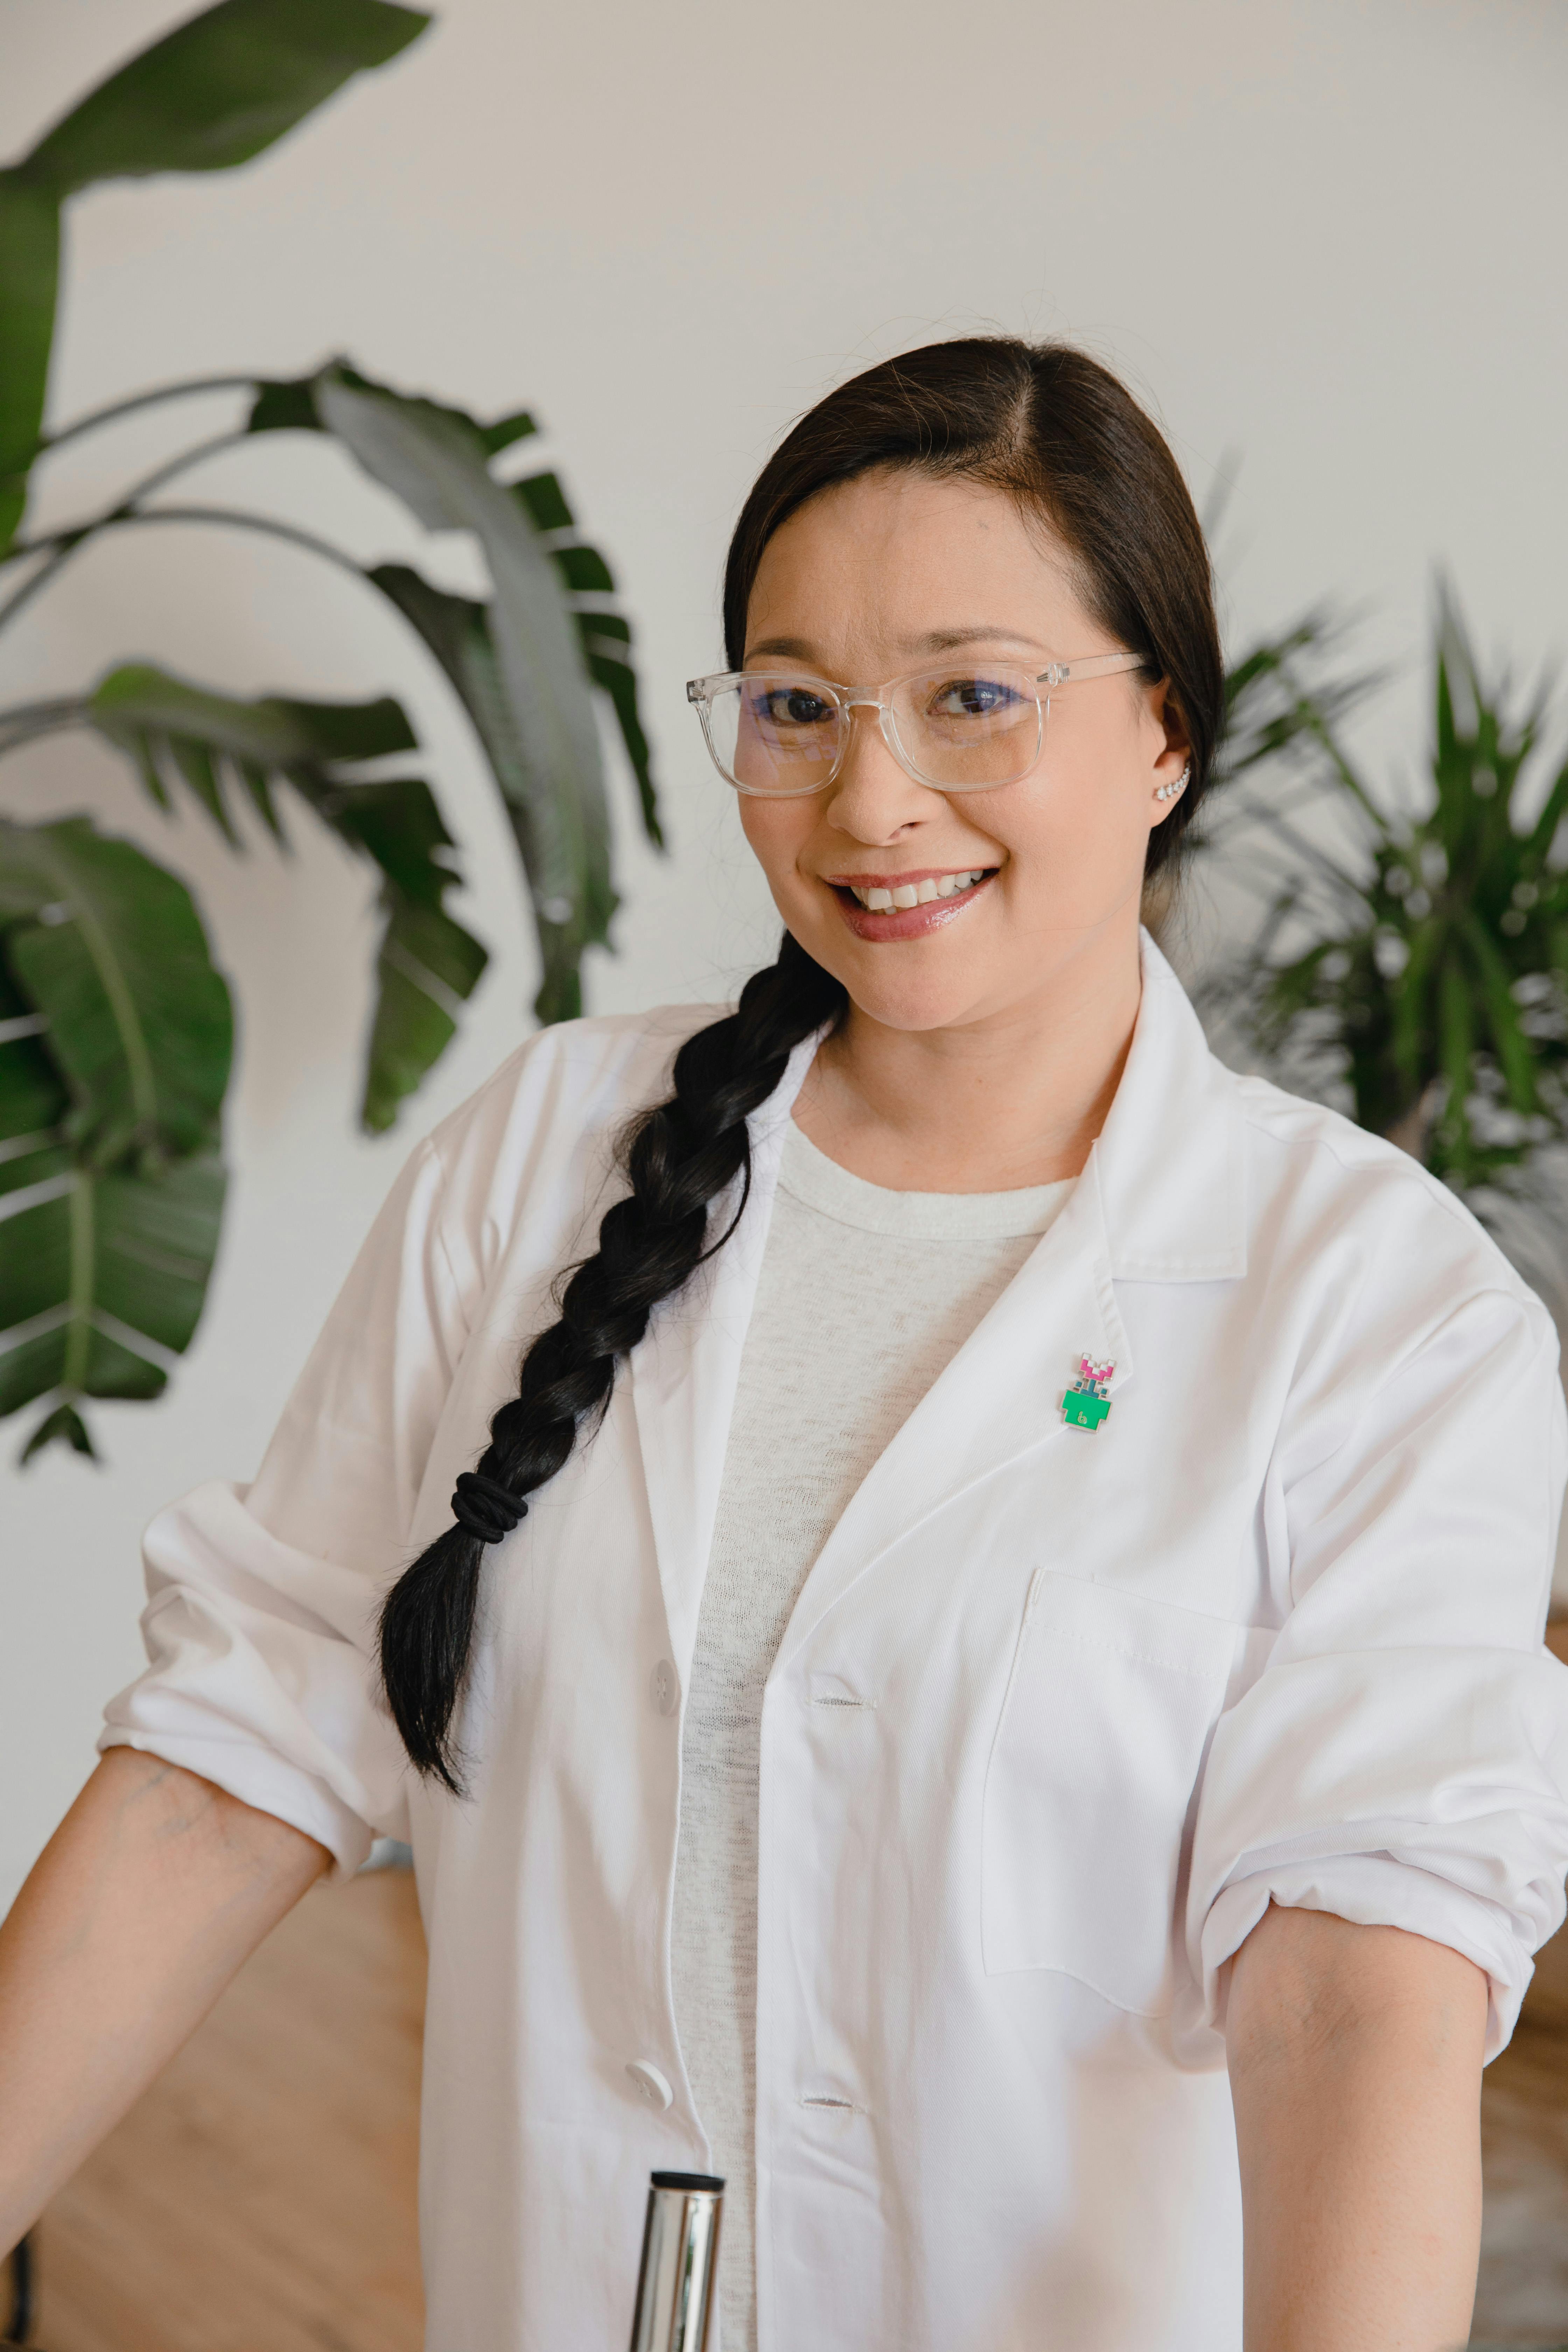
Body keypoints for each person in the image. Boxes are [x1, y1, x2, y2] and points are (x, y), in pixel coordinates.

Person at [2, 338, 1566, 2352]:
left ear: (1165, 733)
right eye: (797, 706)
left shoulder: (1376, 1304)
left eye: (975, 696)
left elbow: (1361, 1991)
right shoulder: (545, 1161)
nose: (872, 799)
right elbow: (229, 1759)